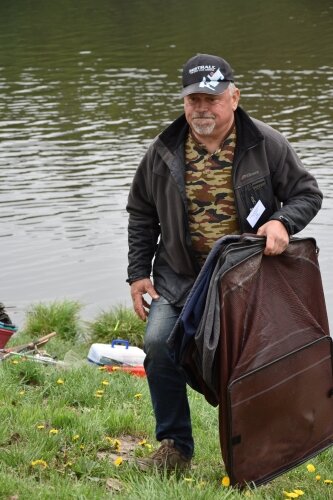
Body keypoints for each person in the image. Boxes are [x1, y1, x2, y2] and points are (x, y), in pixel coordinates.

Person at [126, 54, 323, 471]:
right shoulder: (162, 151)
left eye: (211, 99)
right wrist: (138, 273)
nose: (202, 108)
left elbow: (307, 193)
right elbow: (141, 213)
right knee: (160, 346)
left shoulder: (266, 144)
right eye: (193, 99)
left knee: (255, 361)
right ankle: (175, 449)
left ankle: (268, 445)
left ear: (233, 97)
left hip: (247, 281)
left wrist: (281, 222)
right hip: (179, 278)